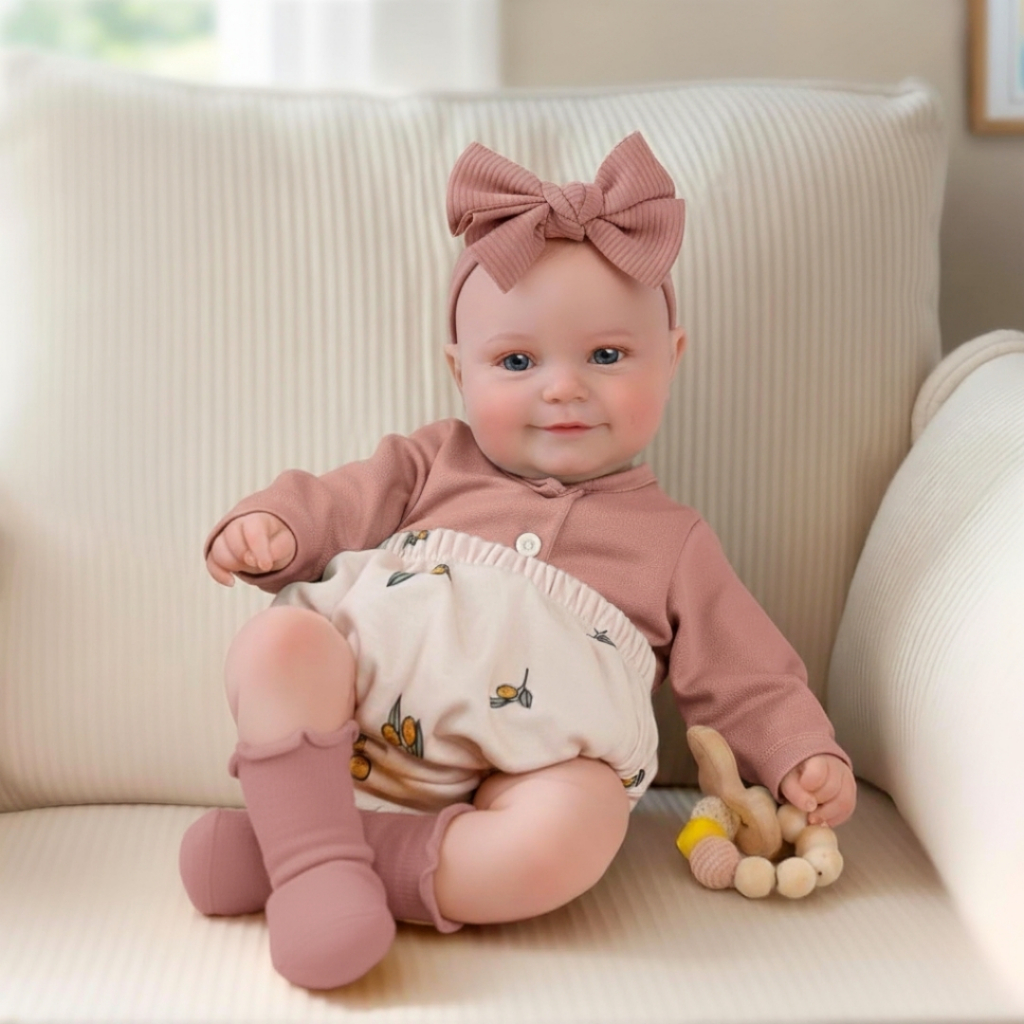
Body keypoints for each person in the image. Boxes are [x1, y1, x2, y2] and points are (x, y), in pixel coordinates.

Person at [179, 132, 857, 990]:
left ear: (671, 359)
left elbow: (746, 676)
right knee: (277, 645)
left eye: (606, 356)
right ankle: (315, 862)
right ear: (459, 371)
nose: (563, 387)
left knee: (579, 830)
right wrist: (271, 527)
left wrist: (800, 753)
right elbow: (334, 503)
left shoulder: (672, 541)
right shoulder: (432, 462)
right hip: (353, 736)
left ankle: (299, 857)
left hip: (526, 781)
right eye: (516, 361)